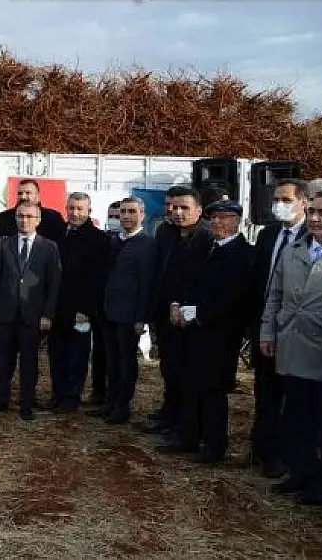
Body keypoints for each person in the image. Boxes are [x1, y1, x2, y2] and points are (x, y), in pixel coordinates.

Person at [261, 189, 322, 504]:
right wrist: (268, 332)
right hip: (291, 346)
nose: (314, 219)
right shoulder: (293, 250)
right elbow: (275, 295)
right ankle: (299, 473)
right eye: (311, 212)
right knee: (296, 417)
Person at [157, 200, 254, 463]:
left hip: (219, 336)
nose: (218, 222)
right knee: (190, 384)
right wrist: (178, 305)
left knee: (212, 390)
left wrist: (194, 314)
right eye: (214, 218)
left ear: (237, 221)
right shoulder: (207, 247)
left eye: (225, 218)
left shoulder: (242, 253)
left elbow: (231, 297)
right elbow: (190, 281)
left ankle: (213, 445)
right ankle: (189, 437)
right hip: (193, 332)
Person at [247, 179, 309, 478]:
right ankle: (261, 448)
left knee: (291, 395)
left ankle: (283, 455)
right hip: (265, 325)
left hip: (295, 329)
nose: (277, 205)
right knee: (264, 389)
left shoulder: (312, 238)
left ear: (304, 203)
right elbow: (260, 280)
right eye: (275, 199)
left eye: (285, 199)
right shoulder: (268, 234)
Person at [0, 200, 62, 420]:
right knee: (2, 360)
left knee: (29, 361)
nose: (24, 220)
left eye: (29, 216)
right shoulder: (4, 244)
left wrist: (47, 314)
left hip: (32, 315)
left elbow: (53, 284)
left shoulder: (49, 247)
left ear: (37, 220)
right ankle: (1, 399)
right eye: (20, 216)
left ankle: (26, 403)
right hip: (5, 313)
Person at [144, 185, 212, 436]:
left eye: (184, 208)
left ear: (199, 210)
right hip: (164, 310)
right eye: (174, 208)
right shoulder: (166, 232)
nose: (178, 213)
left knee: (186, 372)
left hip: (188, 316)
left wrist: (185, 309)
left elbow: (199, 281)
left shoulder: (205, 237)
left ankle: (185, 423)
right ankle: (170, 414)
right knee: (169, 368)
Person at [95, 196, 157, 425]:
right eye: (123, 212)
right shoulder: (112, 240)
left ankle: (123, 406)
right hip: (108, 312)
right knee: (110, 361)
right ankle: (110, 403)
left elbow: (147, 284)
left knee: (126, 363)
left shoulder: (147, 244)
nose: (126, 216)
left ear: (142, 214)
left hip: (129, 316)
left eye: (131, 211)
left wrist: (141, 318)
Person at [47, 192, 111, 413]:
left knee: (77, 356)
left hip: (81, 310)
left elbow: (98, 279)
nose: (75, 213)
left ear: (89, 211)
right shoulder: (56, 235)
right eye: (71, 208)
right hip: (57, 307)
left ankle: (71, 397)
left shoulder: (99, 239)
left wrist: (86, 309)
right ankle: (57, 393)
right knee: (56, 354)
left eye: (80, 209)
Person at [89, 200, 121, 406]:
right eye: (113, 216)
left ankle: (115, 398)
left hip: (120, 310)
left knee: (117, 357)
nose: (116, 220)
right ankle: (98, 392)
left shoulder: (132, 242)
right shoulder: (100, 239)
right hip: (99, 307)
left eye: (119, 216)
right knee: (99, 353)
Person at [0, 178, 67, 244]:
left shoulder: (53, 218)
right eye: (20, 193)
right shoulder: (3, 219)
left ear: (37, 196)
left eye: (28, 193)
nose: (23, 197)